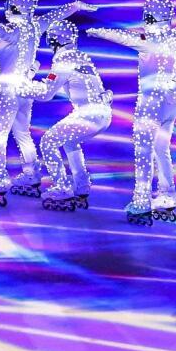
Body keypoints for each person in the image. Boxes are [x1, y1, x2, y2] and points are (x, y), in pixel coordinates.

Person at [87, 0, 176, 223]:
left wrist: (97, 31)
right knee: (161, 150)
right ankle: (167, 195)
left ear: (149, 16)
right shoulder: (175, 36)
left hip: (150, 106)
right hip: (170, 104)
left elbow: (121, 37)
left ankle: (142, 200)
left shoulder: (146, 41)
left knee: (144, 152)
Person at [0, 0, 95, 207]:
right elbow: (55, 15)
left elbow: (6, 32)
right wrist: (75, 5)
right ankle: (31, 173)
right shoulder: (35, 26)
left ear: (13, 5)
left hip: (8, 88)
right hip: (26, 87)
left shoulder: (14, 28)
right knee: (22, 133)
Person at [32, 21, 113, 211]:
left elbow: (46, 94)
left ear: (53, 40)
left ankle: (61, 186)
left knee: (48, 141)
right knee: (69, 141)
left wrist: (23, 88)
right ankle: (81, 185)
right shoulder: (82, 57)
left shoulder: (64, 60)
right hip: (103, 114)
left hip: (88, 115)